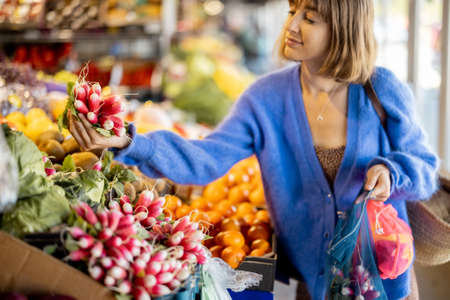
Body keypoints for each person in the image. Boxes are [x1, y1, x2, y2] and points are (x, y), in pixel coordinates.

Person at [68, 0, 439, 299]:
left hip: (383, 284)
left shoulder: (380, 89)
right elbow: (206, 159)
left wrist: (392, 173)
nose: (291, 25)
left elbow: (424, 170)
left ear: (343, 28)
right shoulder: (266, 99)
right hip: (306, 286)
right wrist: (132, 142)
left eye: (309, 18)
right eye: (292, 10)